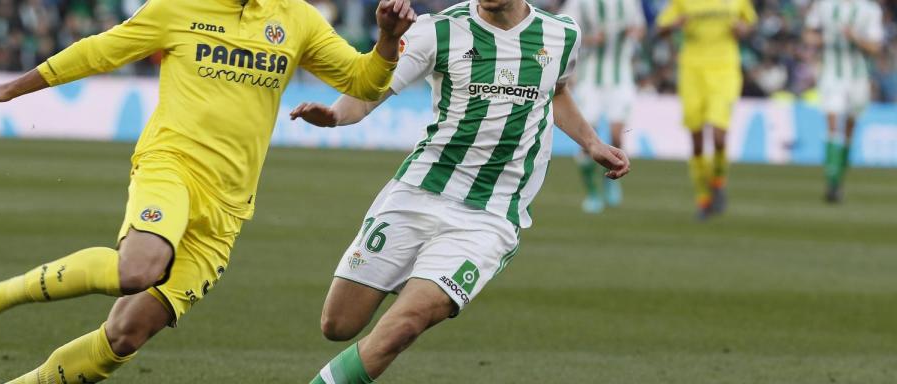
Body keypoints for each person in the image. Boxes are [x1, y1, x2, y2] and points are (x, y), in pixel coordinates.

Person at [0, 0, 415, 382]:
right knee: (138, 269)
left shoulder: (296, 18)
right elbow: (99, 52)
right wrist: (8, 87)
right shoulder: (178, 7)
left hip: (227, 208)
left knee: (126, 335)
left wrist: (387, 40)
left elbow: (363, 81)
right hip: (170, 167)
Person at [289, 0, 630, 381]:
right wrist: (336, 115)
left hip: (490, 216)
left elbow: (556, 89)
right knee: (338, 324)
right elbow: (373, 90)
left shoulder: (562, 34)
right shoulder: (438, 31)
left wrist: (592, 143)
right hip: (416, 193)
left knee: (403, 326)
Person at [656, 0, 757, 220]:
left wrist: (743, 29)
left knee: (719, 136)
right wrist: (675, 25)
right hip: (692, 71)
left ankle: (718, 182)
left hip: (724, 69)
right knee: (697, 140)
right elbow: (660, 28)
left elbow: (749, 23)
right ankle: (703, 199)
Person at [561, 0, 645, 213]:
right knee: (588, 138)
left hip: (621, 77)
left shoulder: (628, 3)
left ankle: (610, 182)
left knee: (617, 135)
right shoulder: (581, 3)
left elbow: (640, 27)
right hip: (590, 79)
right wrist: (589, 39)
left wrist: (635, 33)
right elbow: (562, 30)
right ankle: (592, 193)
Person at [804, 0, 884, 203]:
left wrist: (854, 37)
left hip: (859, 77)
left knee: (849, 129)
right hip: (831, 74)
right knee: (832, 125)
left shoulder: (870, 10)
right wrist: (822, 39)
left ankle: (839, 178)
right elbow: (808, 35)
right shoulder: (825, 6)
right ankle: (831, 182)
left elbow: (875, 47)